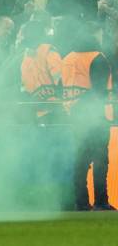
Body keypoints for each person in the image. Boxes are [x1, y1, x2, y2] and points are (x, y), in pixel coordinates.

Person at [60, 22, 113, 211]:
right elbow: (98, 91)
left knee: (80, 161)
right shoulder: (97, 58)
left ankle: (80, 202)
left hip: (73, 116)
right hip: (95, 117)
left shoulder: (67, 59)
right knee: (100, 161)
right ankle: (101, 201)